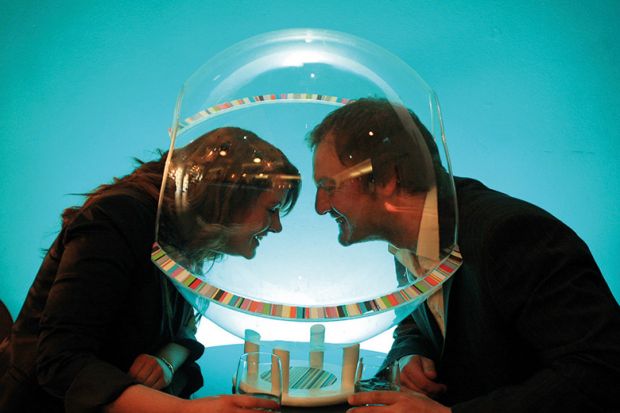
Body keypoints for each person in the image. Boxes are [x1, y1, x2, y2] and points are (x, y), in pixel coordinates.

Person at [309, 98, 620, 412]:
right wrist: (409, 356)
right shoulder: (406, 233)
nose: (320, 206)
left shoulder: (512, 235)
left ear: (388, 178)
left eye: (329, 186)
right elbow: (416, 323)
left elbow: (601, 371)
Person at [0, 127, 301, 413]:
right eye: (272, 209)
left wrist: (165, 361)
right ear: (229, 197)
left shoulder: (183, 235)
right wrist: (186, 410)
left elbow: (184, 330)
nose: (277, 227)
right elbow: (60, 362)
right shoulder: (116, 218)